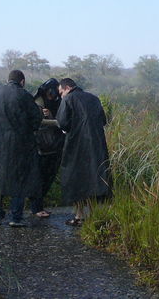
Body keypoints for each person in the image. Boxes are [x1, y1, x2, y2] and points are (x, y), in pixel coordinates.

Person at [0, 70, 42, 227]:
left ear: (8, 80)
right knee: (19, 179)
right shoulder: (24, 95)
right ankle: (15, 217)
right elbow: (36, 119)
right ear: (22, 82)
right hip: (19, 144)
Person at [56, 78, 112, 226]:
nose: (61, 96)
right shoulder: (94, 98)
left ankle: (79, 215)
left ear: (67, 88)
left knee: (75, 179)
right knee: (93, 179)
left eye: (61, 92)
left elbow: (62, 122)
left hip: (76, 146)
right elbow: (103, 120)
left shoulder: (68, 99)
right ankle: (93, 215)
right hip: (97, 146)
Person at [29, 78, 64, 218]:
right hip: (41, 146)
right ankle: (36, 207)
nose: (52, 95)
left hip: (54, 145)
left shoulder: (57, 102)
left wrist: (52, 117)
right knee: (40, 177)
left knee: (48, 177)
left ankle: (38, 206)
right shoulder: (39, 102)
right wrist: (55, 122)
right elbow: (37, 121)